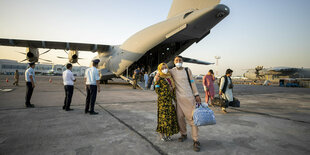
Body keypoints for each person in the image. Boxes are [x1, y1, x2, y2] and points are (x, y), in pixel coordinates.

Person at [170, 56, 202, 152]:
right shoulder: (172, 71)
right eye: (176, 60)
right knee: (180, 118)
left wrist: (196, 94)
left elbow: (192, 82)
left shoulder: (187, 70)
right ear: (174, 62)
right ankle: (183, 134)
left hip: (189, 98)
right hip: (178, 100)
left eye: (180, 60)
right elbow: (164, 74)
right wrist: (156, 77)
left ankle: (196, 140)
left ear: (182, 62)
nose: (178, 62)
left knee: (192, 119)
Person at [155, 63, 179, 141]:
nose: (164, 69)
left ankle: (168, 134)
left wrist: (175, 99)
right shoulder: (158, 78)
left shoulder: (170, 77)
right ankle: (162, 135)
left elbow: (174, 89)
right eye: (162, 68)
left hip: (170, 101)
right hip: (163, 102)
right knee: (163, 118)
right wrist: (168, 92)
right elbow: (157, 90)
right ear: (159, 69)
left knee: (170, 118)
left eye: (165, 68)